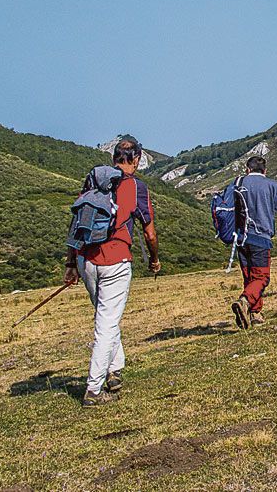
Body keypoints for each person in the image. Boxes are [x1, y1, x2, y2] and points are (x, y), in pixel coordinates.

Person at [64, 138, 160, 408]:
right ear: (137, 158)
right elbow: (149, 232)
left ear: (114, 157)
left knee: (105, 315)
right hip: (115, 260)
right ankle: (93, 389)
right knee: (106, 323)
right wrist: (154, 259)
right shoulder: (136, 186)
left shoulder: (94, 180)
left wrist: (71, 263)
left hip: (86, 260)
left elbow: (75, 223)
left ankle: (115, 370)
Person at [226, 156, 277, 330]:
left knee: (249, 276)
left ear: (247, 169)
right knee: (262, 277)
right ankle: (245, 301)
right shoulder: (271, 185)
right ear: (265, 171)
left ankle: (255, 313)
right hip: (261, 236)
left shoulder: (237, 183)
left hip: (241, 238)